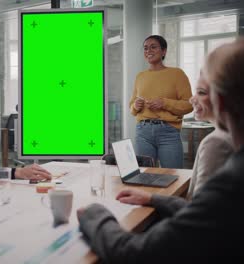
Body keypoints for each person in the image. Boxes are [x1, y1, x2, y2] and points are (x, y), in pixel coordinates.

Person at [77, 39, 244, 263]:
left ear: (219, 102)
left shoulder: (231, 179)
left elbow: (132, 253)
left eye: (203, 91)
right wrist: (154, 198)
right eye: (144, 47)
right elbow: (204, 211)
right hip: (144, 129)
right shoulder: (231, 175)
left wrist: (94, 214)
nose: (195, 98)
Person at [129, 35, 193, 168]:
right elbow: (132, 107)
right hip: (143, 132)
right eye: (145, 48)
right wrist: (135, 105)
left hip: (168, 132)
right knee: (144, 175)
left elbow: (189, 105)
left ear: (164, 51)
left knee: (174, 176)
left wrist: (165, 103)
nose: (148, 51)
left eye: (153, 47)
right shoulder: (140, 76)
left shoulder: (177, 74)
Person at [186, 73, 233, 199]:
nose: (192, 99)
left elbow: (200, 212)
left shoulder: (216, 142)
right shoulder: (230, 134)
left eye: (201, 93)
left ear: (221, 98)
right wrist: (152, 198)